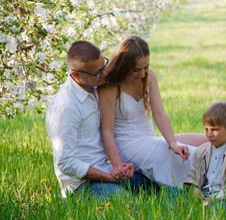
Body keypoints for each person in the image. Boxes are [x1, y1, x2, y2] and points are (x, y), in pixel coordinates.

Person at [46, 40, 151, 200]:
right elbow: (66, 163)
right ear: (76, 75)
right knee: (123, 201)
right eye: (97, 72)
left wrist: (118, 167)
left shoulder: (95, 87)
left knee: (154, 181)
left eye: (104, 66)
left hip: (108, 170)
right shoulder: (66, 106)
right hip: (82, 184)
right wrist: (108, 177)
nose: (105, 74)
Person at [98, 35, 207, 188]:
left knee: (209, 142)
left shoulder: (149, 76)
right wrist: (117, 165)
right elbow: (107, 131)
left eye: (146, 67)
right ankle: (213, 193)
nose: (142, 74)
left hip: (149, 139)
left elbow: (159, 113)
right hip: (128, 145)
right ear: (124, 66)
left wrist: (172, 143)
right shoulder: (110, 87)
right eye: (136, 70)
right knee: (197, 157)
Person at [184, 101, 226, 205]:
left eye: (214, 130)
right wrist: (194, 188)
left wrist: (214, 197)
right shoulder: (200, 151)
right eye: (206, 129)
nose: (209, 134)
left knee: (223, 206)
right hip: (203, 195)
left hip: (224, 199)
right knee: (169, 191)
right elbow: (192, 177)